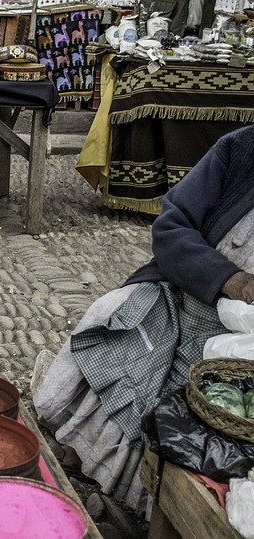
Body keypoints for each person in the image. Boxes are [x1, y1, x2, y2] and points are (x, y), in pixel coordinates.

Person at [33, 125, 254, 512]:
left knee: (211, 411)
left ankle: (153, 501)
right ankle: (83, 453)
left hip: (242, 344)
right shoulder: (241, 150)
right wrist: (230, 279)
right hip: (188, 294)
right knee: (115, 317)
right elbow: (171, 226)